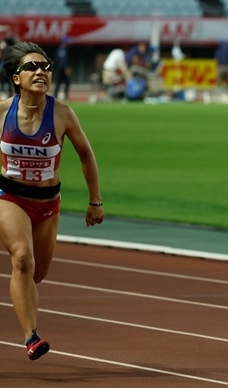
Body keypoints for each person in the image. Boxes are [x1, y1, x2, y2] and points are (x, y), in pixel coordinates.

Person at [0, 42, 105, 360]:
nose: (40, 72)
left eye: (45, 67)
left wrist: (95, 201)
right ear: (16, 78)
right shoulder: (3, 112)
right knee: (22, 258)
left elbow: (86, 155)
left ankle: (26, 308)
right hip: (10, 197)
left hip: (48, 203)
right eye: (31, 67)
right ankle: (31, 336)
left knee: (37, 273)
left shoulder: (62, 114)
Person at [53, 36, 72, 100]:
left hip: (61, 68)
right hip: (61, 68)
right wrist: (66, 68)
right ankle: (55, 96)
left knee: (67, 82)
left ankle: (65, 95)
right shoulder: (61, 50)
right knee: (59, 82)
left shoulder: (64, 49)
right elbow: (62, 60)